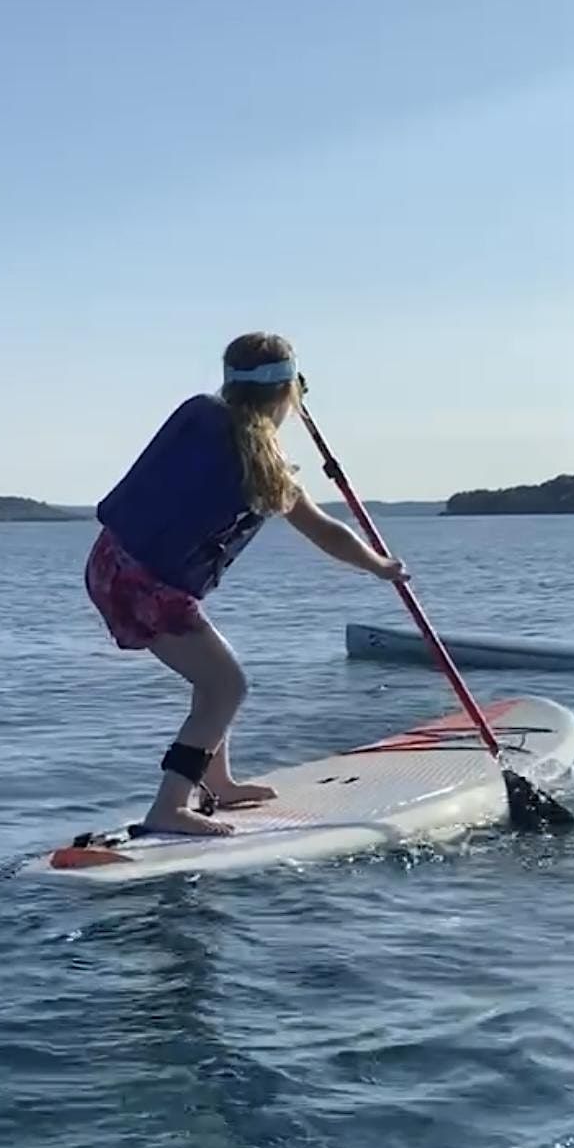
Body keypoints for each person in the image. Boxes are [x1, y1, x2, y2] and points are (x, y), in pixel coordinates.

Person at [85, 332, 408, 836]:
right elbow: (326, 532)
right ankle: (169, 805)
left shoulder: (198, 413)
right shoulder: (267, 469)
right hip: (149, 587)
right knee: (227, 685)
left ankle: (218, 781)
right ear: (288, 394)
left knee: (213, 678)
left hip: (108, 563)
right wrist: (380, 566)